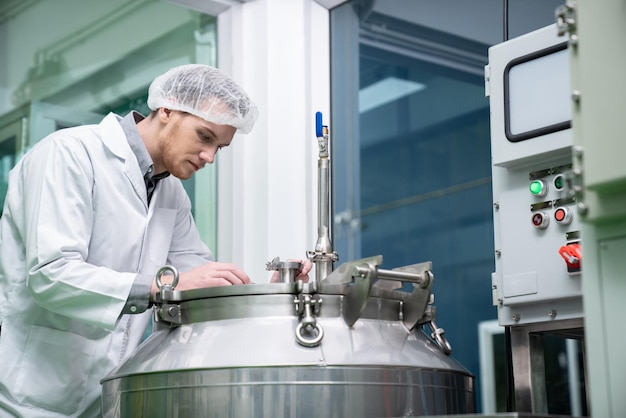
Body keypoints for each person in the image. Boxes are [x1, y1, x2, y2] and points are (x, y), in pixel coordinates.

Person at [0, 64, 311, 418]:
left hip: (107, 399)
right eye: (205, 137)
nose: (209, 157)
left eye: (219, 148)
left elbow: (195, 283)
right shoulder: (69, 154)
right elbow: (51, 274)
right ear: (167, 109)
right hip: (27, 399)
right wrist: (160, 287)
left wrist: (268, 293)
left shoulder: (171, 193)